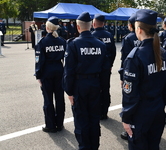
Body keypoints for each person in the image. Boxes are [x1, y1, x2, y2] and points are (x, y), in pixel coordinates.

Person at [120, 9, 166, 149]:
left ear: (139, 30)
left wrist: (126, 118)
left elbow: (130, 94)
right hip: (158, 110)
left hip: (140, 114)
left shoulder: (136, 56)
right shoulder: (164, 53)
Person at [63, 12, 107, 150]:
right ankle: (94, 146)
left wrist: (69, 91)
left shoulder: (73, 44)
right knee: (94, 119)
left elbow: (68, 71)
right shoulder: (100, 45)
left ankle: (84, 147)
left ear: (78, 27)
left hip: (79, 86)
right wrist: (102, 88)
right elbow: (105, 71)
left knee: (81, 119)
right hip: (95, 85)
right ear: (91, 26)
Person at [34, 16, 66, 133]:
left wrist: (38, 75)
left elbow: (39, 60)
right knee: (59, 98)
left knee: (48, 99)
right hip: (59, 70)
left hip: (47, 72)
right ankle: (60, 124)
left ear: (47, 27)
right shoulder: (62, 41)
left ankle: (50, 125)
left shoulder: (42, 42)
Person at [119, 13, 141, 140]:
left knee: (129, 100)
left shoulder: (128, 38)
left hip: (131, 74)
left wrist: (123, 77)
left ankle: (129, 130)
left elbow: (125, 60)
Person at [92, 14, 116, 120]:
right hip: (106, 67)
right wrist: (110, 64)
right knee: (105, 89)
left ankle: (97, 111)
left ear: (94, 23)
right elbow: (113, 52)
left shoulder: (92, 36)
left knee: (96, 90)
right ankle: (104, 112)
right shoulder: (109, 35)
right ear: (104, 23)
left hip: (94, 68)